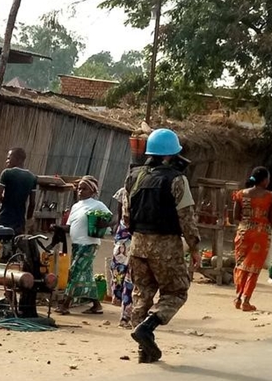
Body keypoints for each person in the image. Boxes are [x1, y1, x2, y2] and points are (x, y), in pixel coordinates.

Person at [123, 128, 201, 364]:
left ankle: (143, 350)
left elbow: (126, 216)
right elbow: (186, 217)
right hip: (166, 245)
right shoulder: (177, 179)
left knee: (142, 294)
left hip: (137, 244)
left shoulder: (134, 176)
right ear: (170, 155)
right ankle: (148, 326)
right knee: (176, 292)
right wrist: (195, 247)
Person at [55, 175, 110, 315]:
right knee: (86, 275)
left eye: (84, 189)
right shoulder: (75, 206)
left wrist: (102, 223)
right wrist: (57, 228)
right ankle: (97, 306)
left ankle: (65, 304)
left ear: (92, 191)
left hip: (89, 244)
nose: (80, 191)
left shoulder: (97, 205)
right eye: (79, 189)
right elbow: (69, 227)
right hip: (76, 244)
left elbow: (111, 219)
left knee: (75, 272)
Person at [232, 166, 272, 312]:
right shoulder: (270, 197)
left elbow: (235, 217)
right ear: (264, 181)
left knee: (240, 266)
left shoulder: (240, 194)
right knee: (253, 269)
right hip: (261, 236)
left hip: (243, 234)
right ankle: (246, 300)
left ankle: (237, 298)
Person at [0, 148, 37, 234]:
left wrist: (6, 199)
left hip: (4, 219)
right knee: (16, 244)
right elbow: (32, 203)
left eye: (9, 158)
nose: (7, 161)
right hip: (19, 222)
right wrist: (28, 220)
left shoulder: (6, 173)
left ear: (18, 160)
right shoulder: (32, 177)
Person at [111, 186, 133, 328]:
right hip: (125, 238)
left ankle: (126, 316)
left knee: (131, 279)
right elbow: (120, 212)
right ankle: (120, 301)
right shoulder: (124, 190)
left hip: (135, 239)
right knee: (119, 274)